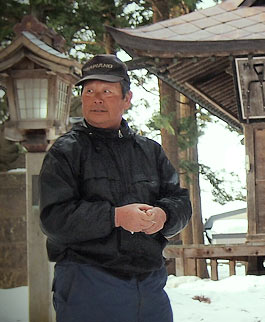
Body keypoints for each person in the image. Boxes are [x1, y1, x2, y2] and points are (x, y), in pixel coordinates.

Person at [39, 54, 192, 322]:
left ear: (127, 99)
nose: (97, 98)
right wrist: (117, 217)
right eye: (89, 91)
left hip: (149, 286)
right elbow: (54, 219)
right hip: (87, 282)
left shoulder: (150, 151)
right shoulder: (65, 152)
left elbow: (179, 201)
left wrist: (163, 216)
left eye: (107, 91)